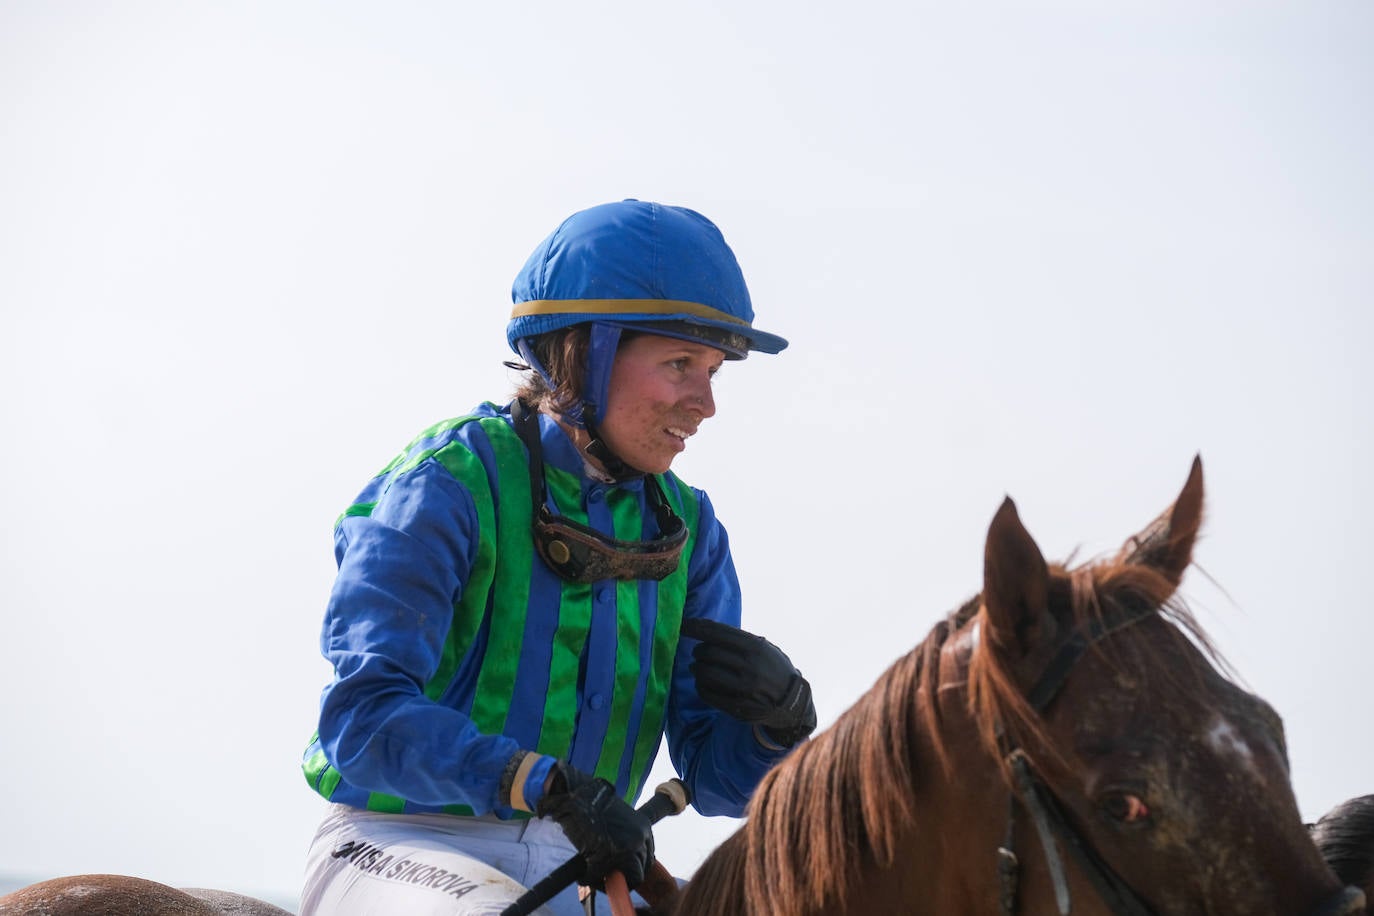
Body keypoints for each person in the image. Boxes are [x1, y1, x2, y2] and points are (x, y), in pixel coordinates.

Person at [299, 199, 817, 915]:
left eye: (714, 371)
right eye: (678, 365)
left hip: (588, 862)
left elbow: (718, 782)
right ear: (586, 355)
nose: (705, 403)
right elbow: (360, 721)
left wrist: (775, 726)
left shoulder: (691, 528)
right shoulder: (447, 485)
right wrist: (540, 781)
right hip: (399, 838)